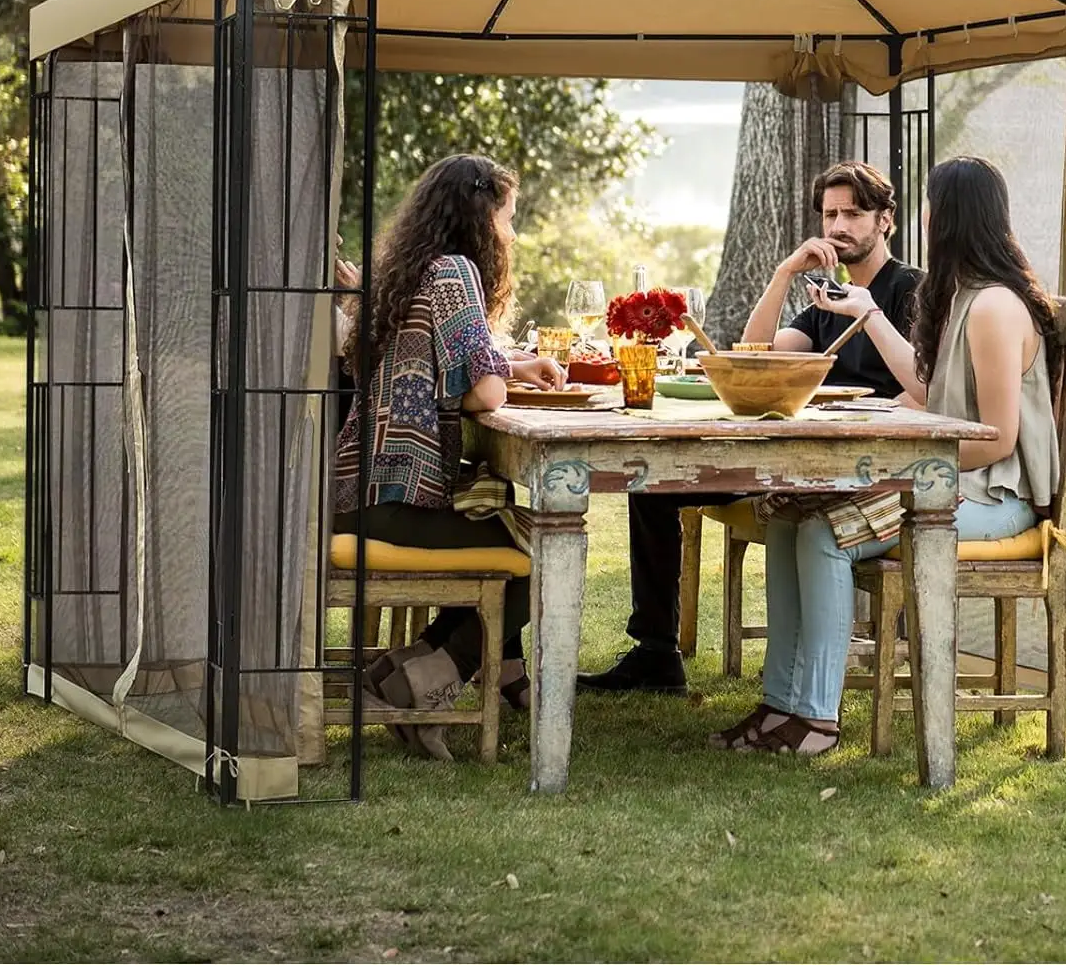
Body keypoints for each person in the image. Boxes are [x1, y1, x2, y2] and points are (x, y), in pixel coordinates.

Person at [710, 154, 1061, 754]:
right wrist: (871, 318)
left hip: (995, 496)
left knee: (824, 531)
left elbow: (997, 439)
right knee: (791, 515)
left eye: (929, 206)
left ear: (944, 217)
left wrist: (898, 476)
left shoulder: (995, 307)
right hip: (947, 484)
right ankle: (779, 706)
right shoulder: (962, 297)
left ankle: (817, 721)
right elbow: (929, 393)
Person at [577, 160, 922, 695]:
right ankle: (655, 653)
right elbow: (752, 354)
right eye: (830, 214)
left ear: (886, 221)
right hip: (792, 451)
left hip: (859, 465)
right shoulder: (827, 295)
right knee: (651, 489)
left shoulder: (906, 290)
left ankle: (801, 676)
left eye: (853, 213)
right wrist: (784, 273)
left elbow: (922, 386)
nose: (837, 226)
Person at [332, 153, 561, 759]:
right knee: (540, 554)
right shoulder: (456, 272)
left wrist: (511, 363)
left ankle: (424, 672)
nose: (511, 233)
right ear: (482, 216)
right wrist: (500, 373)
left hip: (354, 494)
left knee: (502, 517)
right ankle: (418, 681)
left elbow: (433, 363)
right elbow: (486, 393)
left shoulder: (409, 271)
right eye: (509, 219)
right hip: (391, 504)